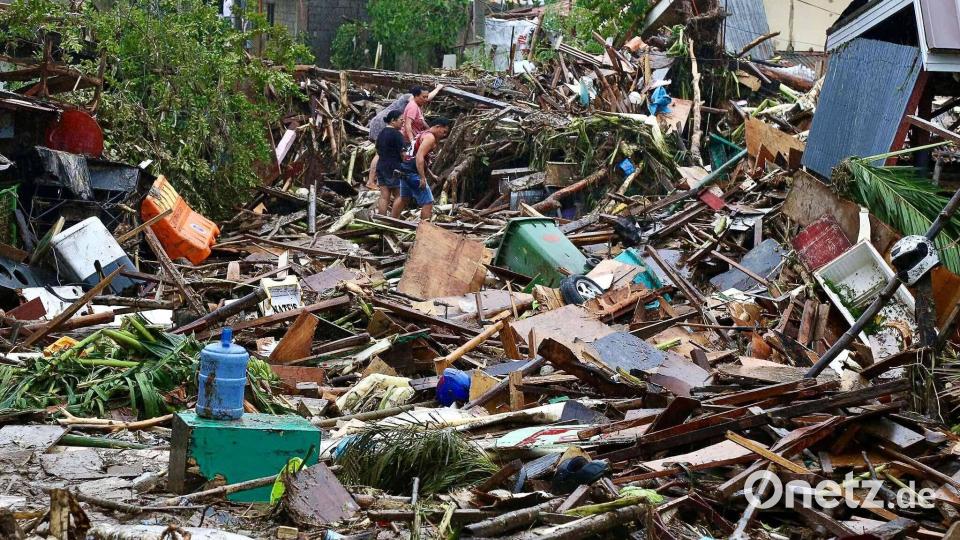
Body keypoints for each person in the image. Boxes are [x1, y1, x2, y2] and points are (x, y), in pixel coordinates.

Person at [392, 117, 451, 221]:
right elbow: (419, 156)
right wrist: (422, 178)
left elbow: (419, 157)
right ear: (438, 127)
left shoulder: (423, 133)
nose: (444, 134)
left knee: (404, 198)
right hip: (412, 172)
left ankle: (391, 222)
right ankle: (424, 228)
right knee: (428, 202)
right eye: (444, 131)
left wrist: (431, 174)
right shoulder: (430, 138)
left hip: (404, 168)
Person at [373, 110, 405, 214]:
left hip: (381, 166)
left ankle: (381, 219)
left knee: (384, 196)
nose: (403, 122)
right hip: (394, 168)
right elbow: (403, 154)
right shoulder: (397, 135)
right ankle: (394, 220)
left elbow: (377, 149)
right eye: (401, 120)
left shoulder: (381, 133)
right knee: (400, 195)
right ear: (393, 121)